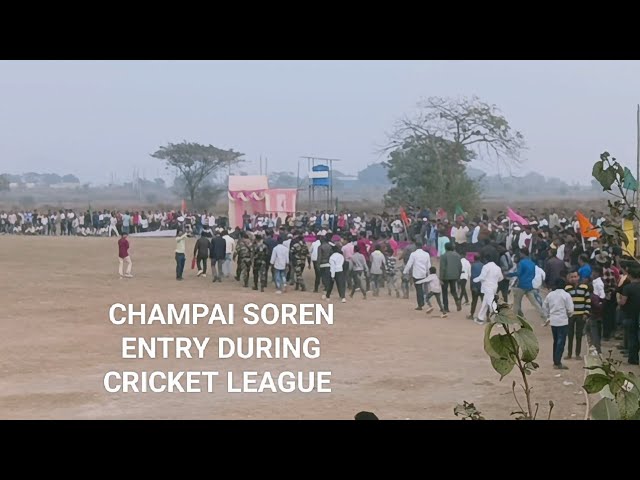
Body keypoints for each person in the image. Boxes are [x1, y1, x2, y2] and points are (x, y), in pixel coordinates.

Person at [542, 278, 573, 370]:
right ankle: (557, 361)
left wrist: (548, 316)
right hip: (563, 321)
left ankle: (555, 360)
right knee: (561, 341)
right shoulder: (566, 295)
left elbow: (544, 306)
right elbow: (570, 310)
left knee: (556, 341)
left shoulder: (550, 295)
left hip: (553, 321)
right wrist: (567, 315)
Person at [510, 247, 546, 325]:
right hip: (529, 286)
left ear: (522, 253)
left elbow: (518, 273)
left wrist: (509, 274)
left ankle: (514, 320)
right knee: (535, 303)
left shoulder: (521, 263)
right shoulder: (532, 263)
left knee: (516, 304)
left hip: (521, 286)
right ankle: (544, 318)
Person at [564, 270, 591, 360]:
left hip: (581, 314)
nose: (573, 278)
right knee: (570, 334)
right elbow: (565, 302)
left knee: (579, 335)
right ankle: (569, 353)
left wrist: (586, 313)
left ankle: (577, 354)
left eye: (575, 276)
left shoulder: (584, 287)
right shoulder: (567, 288)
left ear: (579, 277)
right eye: (572, 277)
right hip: (571, 315)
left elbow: (587, 300)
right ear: (569, 278)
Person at [618, 266, 640, 365]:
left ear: (630, 276)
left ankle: (633, 358)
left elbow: (623, 302)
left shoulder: (627, 288)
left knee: (632, 336)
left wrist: (618, 301)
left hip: (630, 315)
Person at [473, 257, 504, 325]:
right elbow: (501, 278)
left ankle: (500, 320)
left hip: (487, 287)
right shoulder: (497, 267)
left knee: (492, 303)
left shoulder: (486, 267)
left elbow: (482, 277)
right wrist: (494, 281)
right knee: (485, 303)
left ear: (486, 260)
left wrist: (475, 280)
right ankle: (480, 318)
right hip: (494, 287)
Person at [403, 241, 431, 311]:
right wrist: (428, 273)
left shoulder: (413, 254)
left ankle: (420, 304)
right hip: (424, 273)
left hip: (416, 274)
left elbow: (409, 264)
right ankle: (426, 301)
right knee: (425, 288)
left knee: (419, 290)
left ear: (416, 247)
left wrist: (405, 271)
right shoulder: (426, 254)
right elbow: (429, 265)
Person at [439, 242, 462, 313]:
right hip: (455, 275)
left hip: (446, 276)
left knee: (444, 292)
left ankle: (446, 308)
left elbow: (443, 267)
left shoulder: (443, 256)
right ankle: (457, 300)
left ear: (445, 248)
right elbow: (460, 266)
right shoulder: (457, 255)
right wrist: (458, 275)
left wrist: (441, 278)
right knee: (453, 291)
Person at [468, 254, 484, 321]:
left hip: (475, 285)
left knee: (474, 301)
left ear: (474, 259)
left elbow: (473, 277)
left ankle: (472, 315)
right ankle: (488, 316)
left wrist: (472, 286)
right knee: (484, 302)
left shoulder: (473, 265)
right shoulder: (483, 265)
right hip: (482, 286)